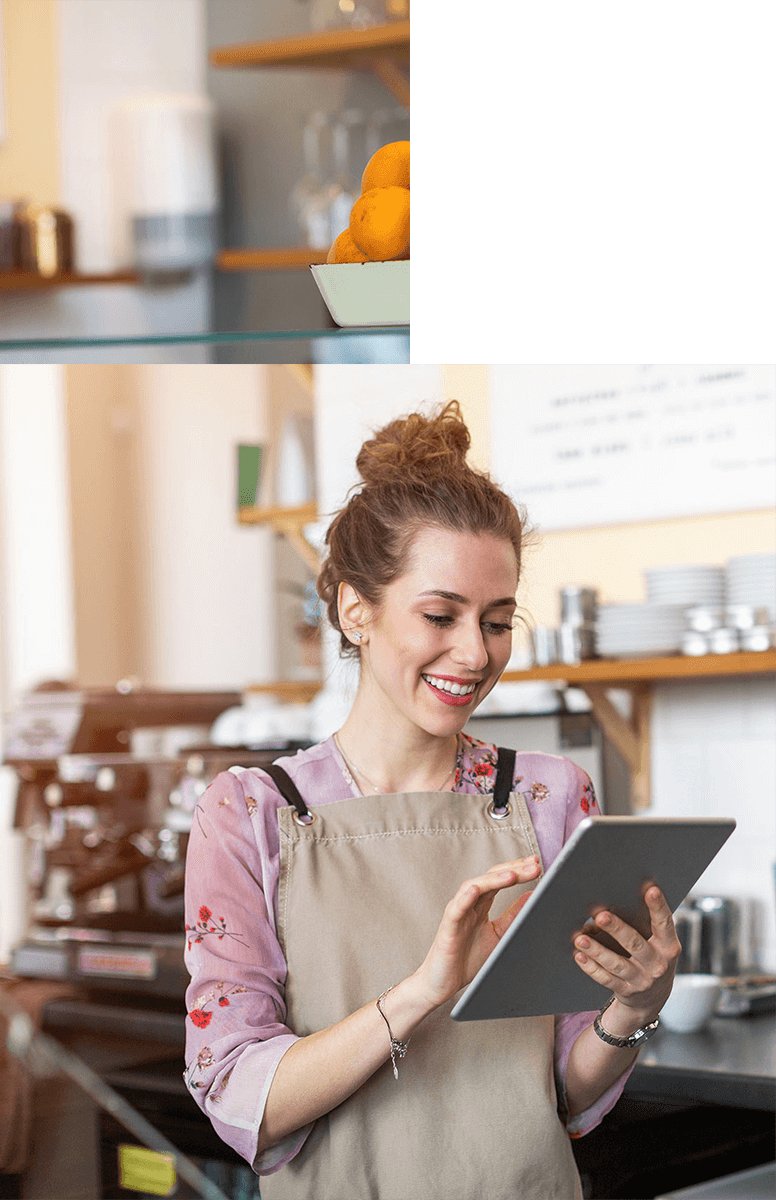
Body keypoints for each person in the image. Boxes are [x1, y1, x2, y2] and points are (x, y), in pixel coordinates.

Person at [182, 401, 679, 1199]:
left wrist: (635, 1006)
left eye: (496, 621)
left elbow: (561, 1095)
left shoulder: (549, 795)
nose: (475, 653)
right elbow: (244, 1098)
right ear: (356, 610)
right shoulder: (251, 813)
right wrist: (425, 989)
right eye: (440, 616)